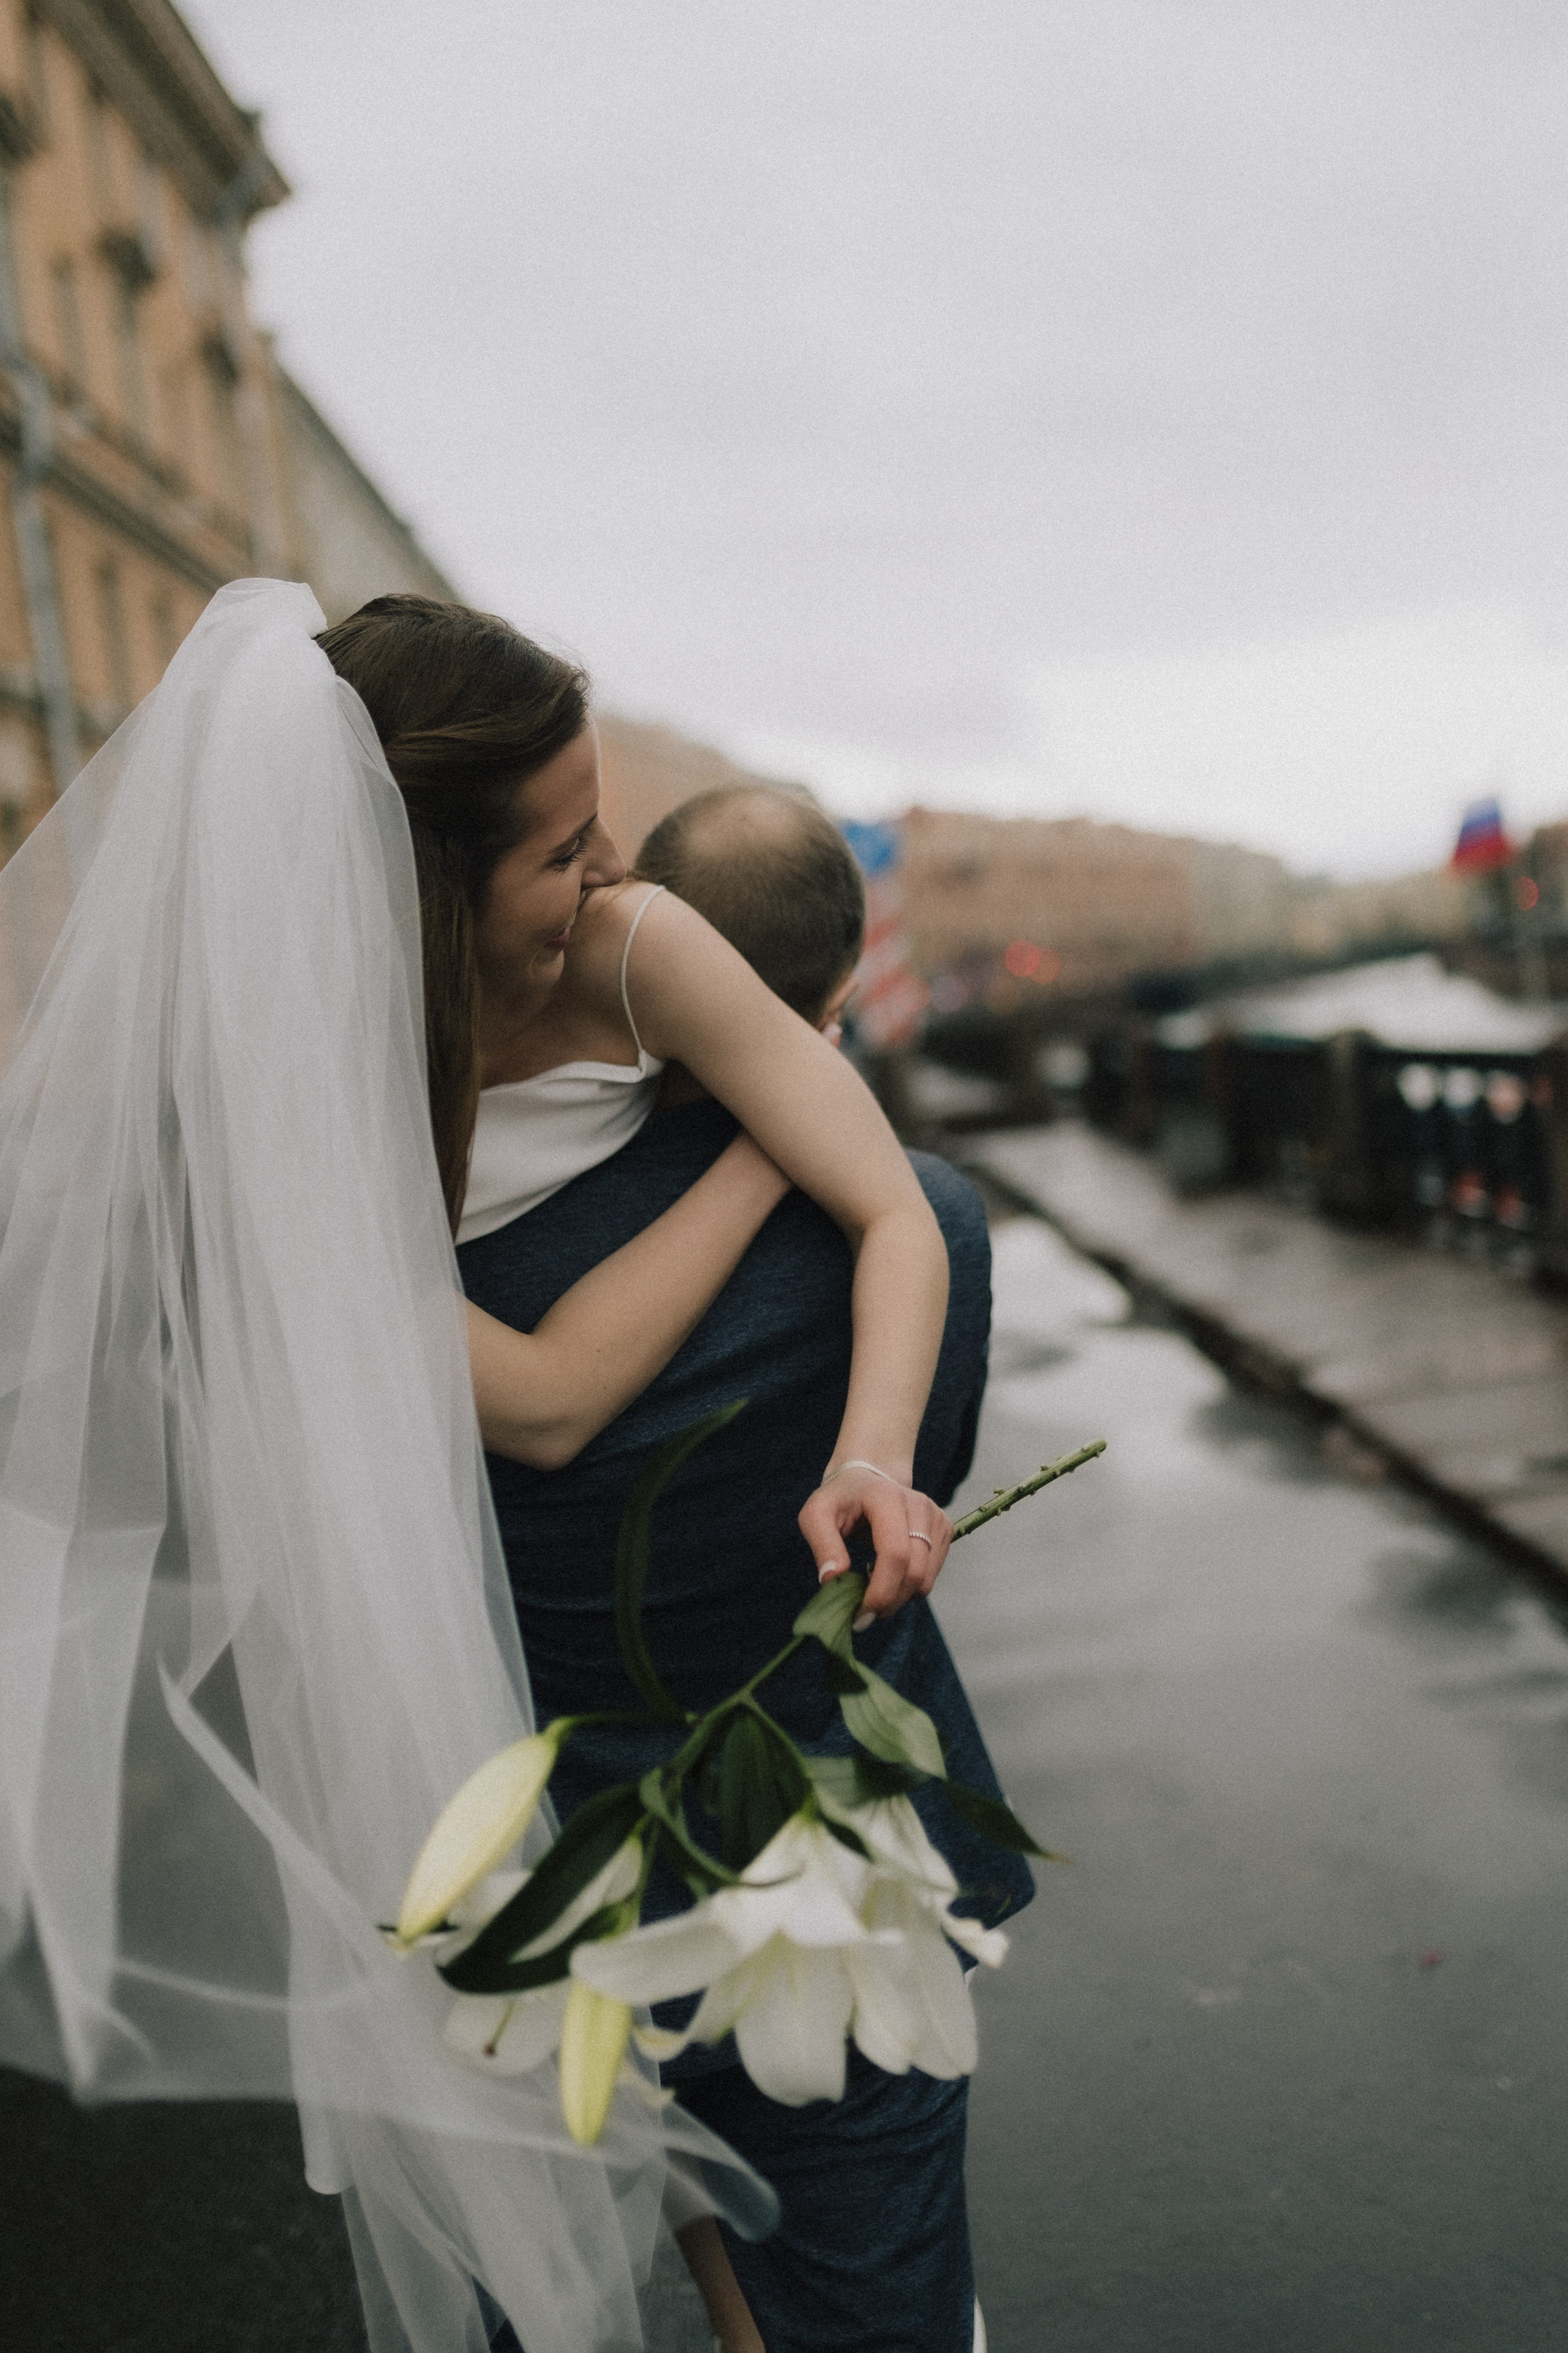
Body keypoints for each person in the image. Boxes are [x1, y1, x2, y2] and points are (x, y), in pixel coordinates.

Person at [0, 580, 814, 2353]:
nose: (609, 872)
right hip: (403, 1664)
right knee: (539, 2077)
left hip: (464, 1623)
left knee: (607, 2092)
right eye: (565, 850)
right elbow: (545, 1400)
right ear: (427, 881)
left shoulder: (388, 1025)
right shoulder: (255, 1118)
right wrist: (776, 1132)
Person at [459, 780, 1034, 2353]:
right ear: (830, 994)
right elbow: (912, 1495)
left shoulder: (457, 1261)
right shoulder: (924, 1224)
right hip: (822, 1868)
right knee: (867, 2298)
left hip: (539, 1871)